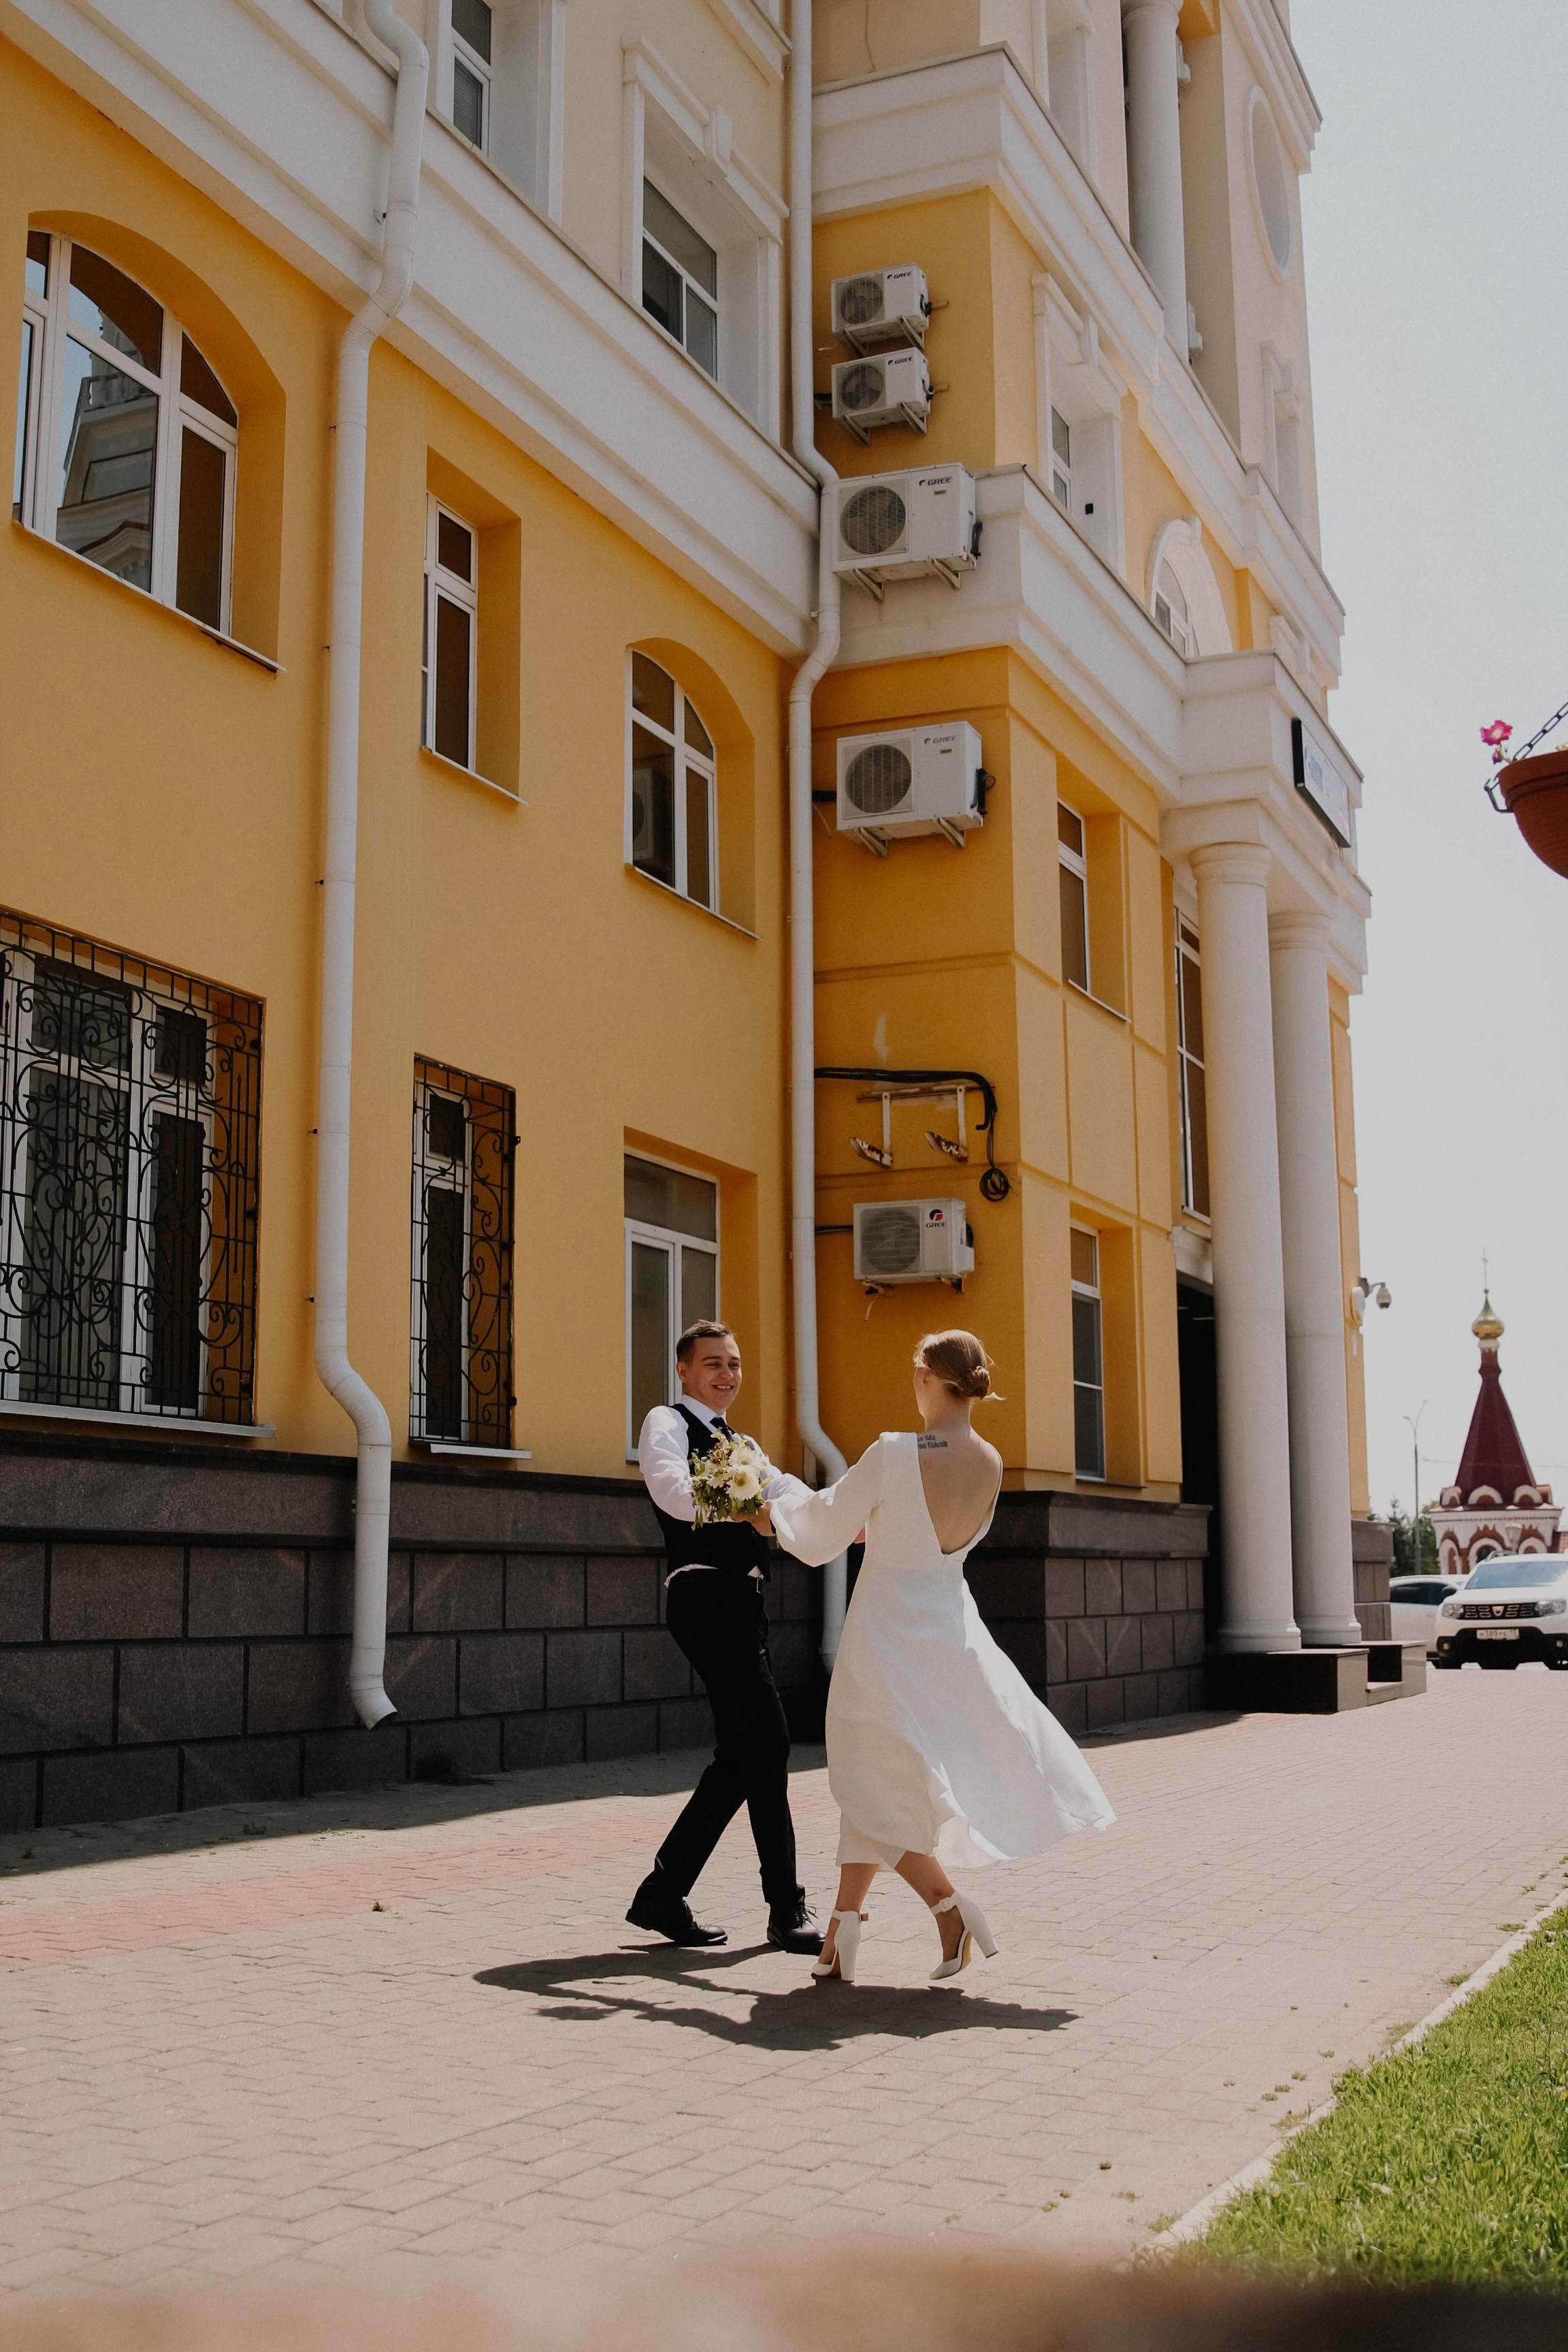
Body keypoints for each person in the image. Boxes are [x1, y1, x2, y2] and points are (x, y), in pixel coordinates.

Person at [768, 1330, 1115, 1983]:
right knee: (875, 1784)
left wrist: (764, 1508)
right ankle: (841, 1935)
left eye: (912, 1369)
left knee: (868, 1779)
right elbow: (912, 1526)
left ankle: (949, 1909)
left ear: (927, 1376)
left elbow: (821, 1526)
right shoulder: (988, 1459)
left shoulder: (899, 1449)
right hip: (950, 1637)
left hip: (886, 1639)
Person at [625, 1320, 823, 1955]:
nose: (726, 1374)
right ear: (683, 1370)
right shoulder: (668, 1422)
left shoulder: (742, 1441)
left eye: (734, 1364)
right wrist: (744, 1501)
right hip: (705, 1593)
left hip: (743, 1600)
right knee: (768, 1740)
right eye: (712, 1363)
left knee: (746, 1755)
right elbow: (672, 1492)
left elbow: (788, 1493)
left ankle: (663, 1892)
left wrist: (841, 1512)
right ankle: (785, 1905)